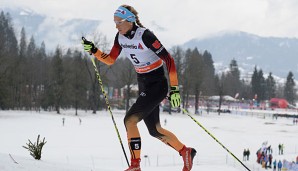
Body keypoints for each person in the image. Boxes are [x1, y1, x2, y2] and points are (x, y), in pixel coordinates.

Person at [82, 4, 196, 171]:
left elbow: (169, 60)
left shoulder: (146, 36)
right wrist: (94, 50)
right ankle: (186, 151)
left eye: (119, 22)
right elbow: (110, 59)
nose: (116, 26)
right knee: (155, 130)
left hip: (157, 83)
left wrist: (175, 89)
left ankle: (135, 165)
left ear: (130, 20)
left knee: (130, 120)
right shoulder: (120, 37)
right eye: (114, 22)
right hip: (143, 82)